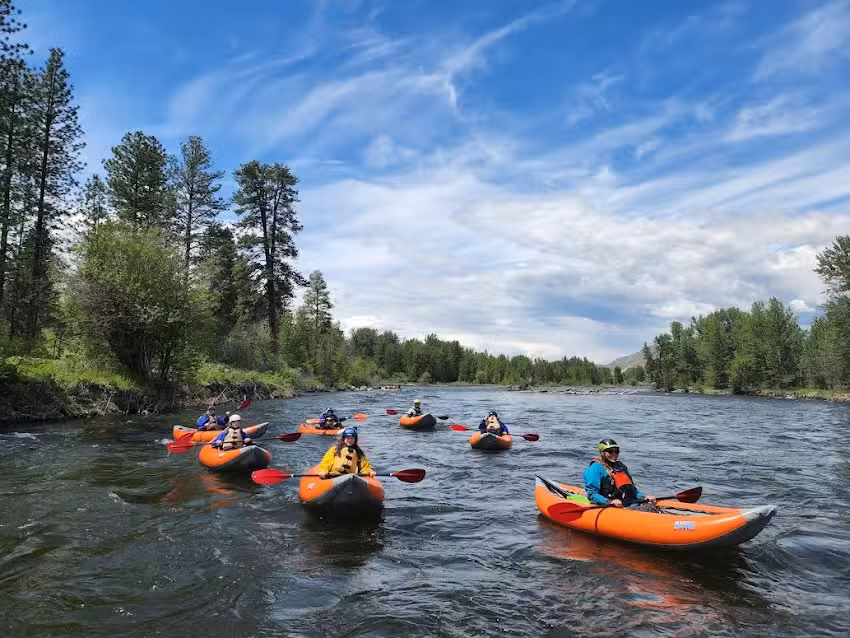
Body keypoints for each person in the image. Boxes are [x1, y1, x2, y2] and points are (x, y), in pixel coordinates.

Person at [584, 439, 657, 512]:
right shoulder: (595, 468)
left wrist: (643, 497)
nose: (614, 454)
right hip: (606, 504)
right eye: (610, 451)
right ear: (602, 453)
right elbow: (592, 494)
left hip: (625, 502)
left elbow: (632, 490)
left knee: (650, 506)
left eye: (616, 451)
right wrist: (609, 502)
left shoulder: (621, 466)